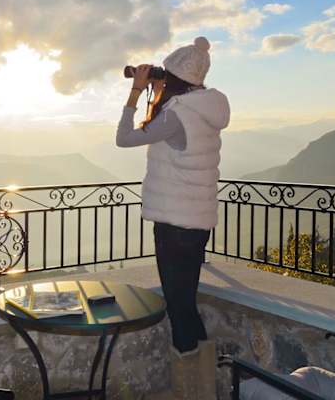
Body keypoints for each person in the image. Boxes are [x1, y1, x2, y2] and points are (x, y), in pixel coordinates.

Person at [115, 36, 230, 399]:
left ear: (175, 78)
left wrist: (136, 91)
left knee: (178, 310)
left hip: (174, 225)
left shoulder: (176, 113)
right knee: (186, 305)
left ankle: (191, 390)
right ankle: (204, 387)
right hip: (197, 224)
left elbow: (124, 138)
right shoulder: (205, 109)